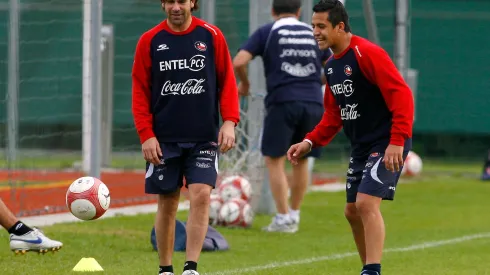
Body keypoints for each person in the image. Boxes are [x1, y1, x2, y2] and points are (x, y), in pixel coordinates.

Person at [287, 1, 414, 274]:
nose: (315, 32)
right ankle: (367, 267)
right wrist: (309, 142)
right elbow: (334, 116)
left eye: (321, 26)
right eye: (313, 26)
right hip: (362, 145)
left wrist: (397, 140)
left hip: (386, 140)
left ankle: (372, 270)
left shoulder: (366, 53)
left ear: (340, 27)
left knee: (365, 203)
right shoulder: (331, 66)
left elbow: (402, 95)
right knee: (352, 212)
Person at [131, 0, 240, 274]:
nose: (176, 7)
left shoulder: (211, 36)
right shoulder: (150, 40)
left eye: (182, 0)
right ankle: (165, 268)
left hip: (203, 137)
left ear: (193, 2)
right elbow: (140, 90)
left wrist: (229, 121)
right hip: (163, 139)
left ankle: (191, 267)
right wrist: (146, 134)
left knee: (201, 194)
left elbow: (227, 80)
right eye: (170, 1)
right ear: (163, 4)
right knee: (167, 201)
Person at [233, 0, 332, 233]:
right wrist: (314, 82)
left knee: (274, 159)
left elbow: (239, 61)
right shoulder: (312, 32)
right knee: (302, 160)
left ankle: (283, 217)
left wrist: (244, 84)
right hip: (313, 103)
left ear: (272, 11)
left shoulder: (267, 32)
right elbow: (334, 65)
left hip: (283, 101)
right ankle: (295, 215)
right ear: (299, 12)